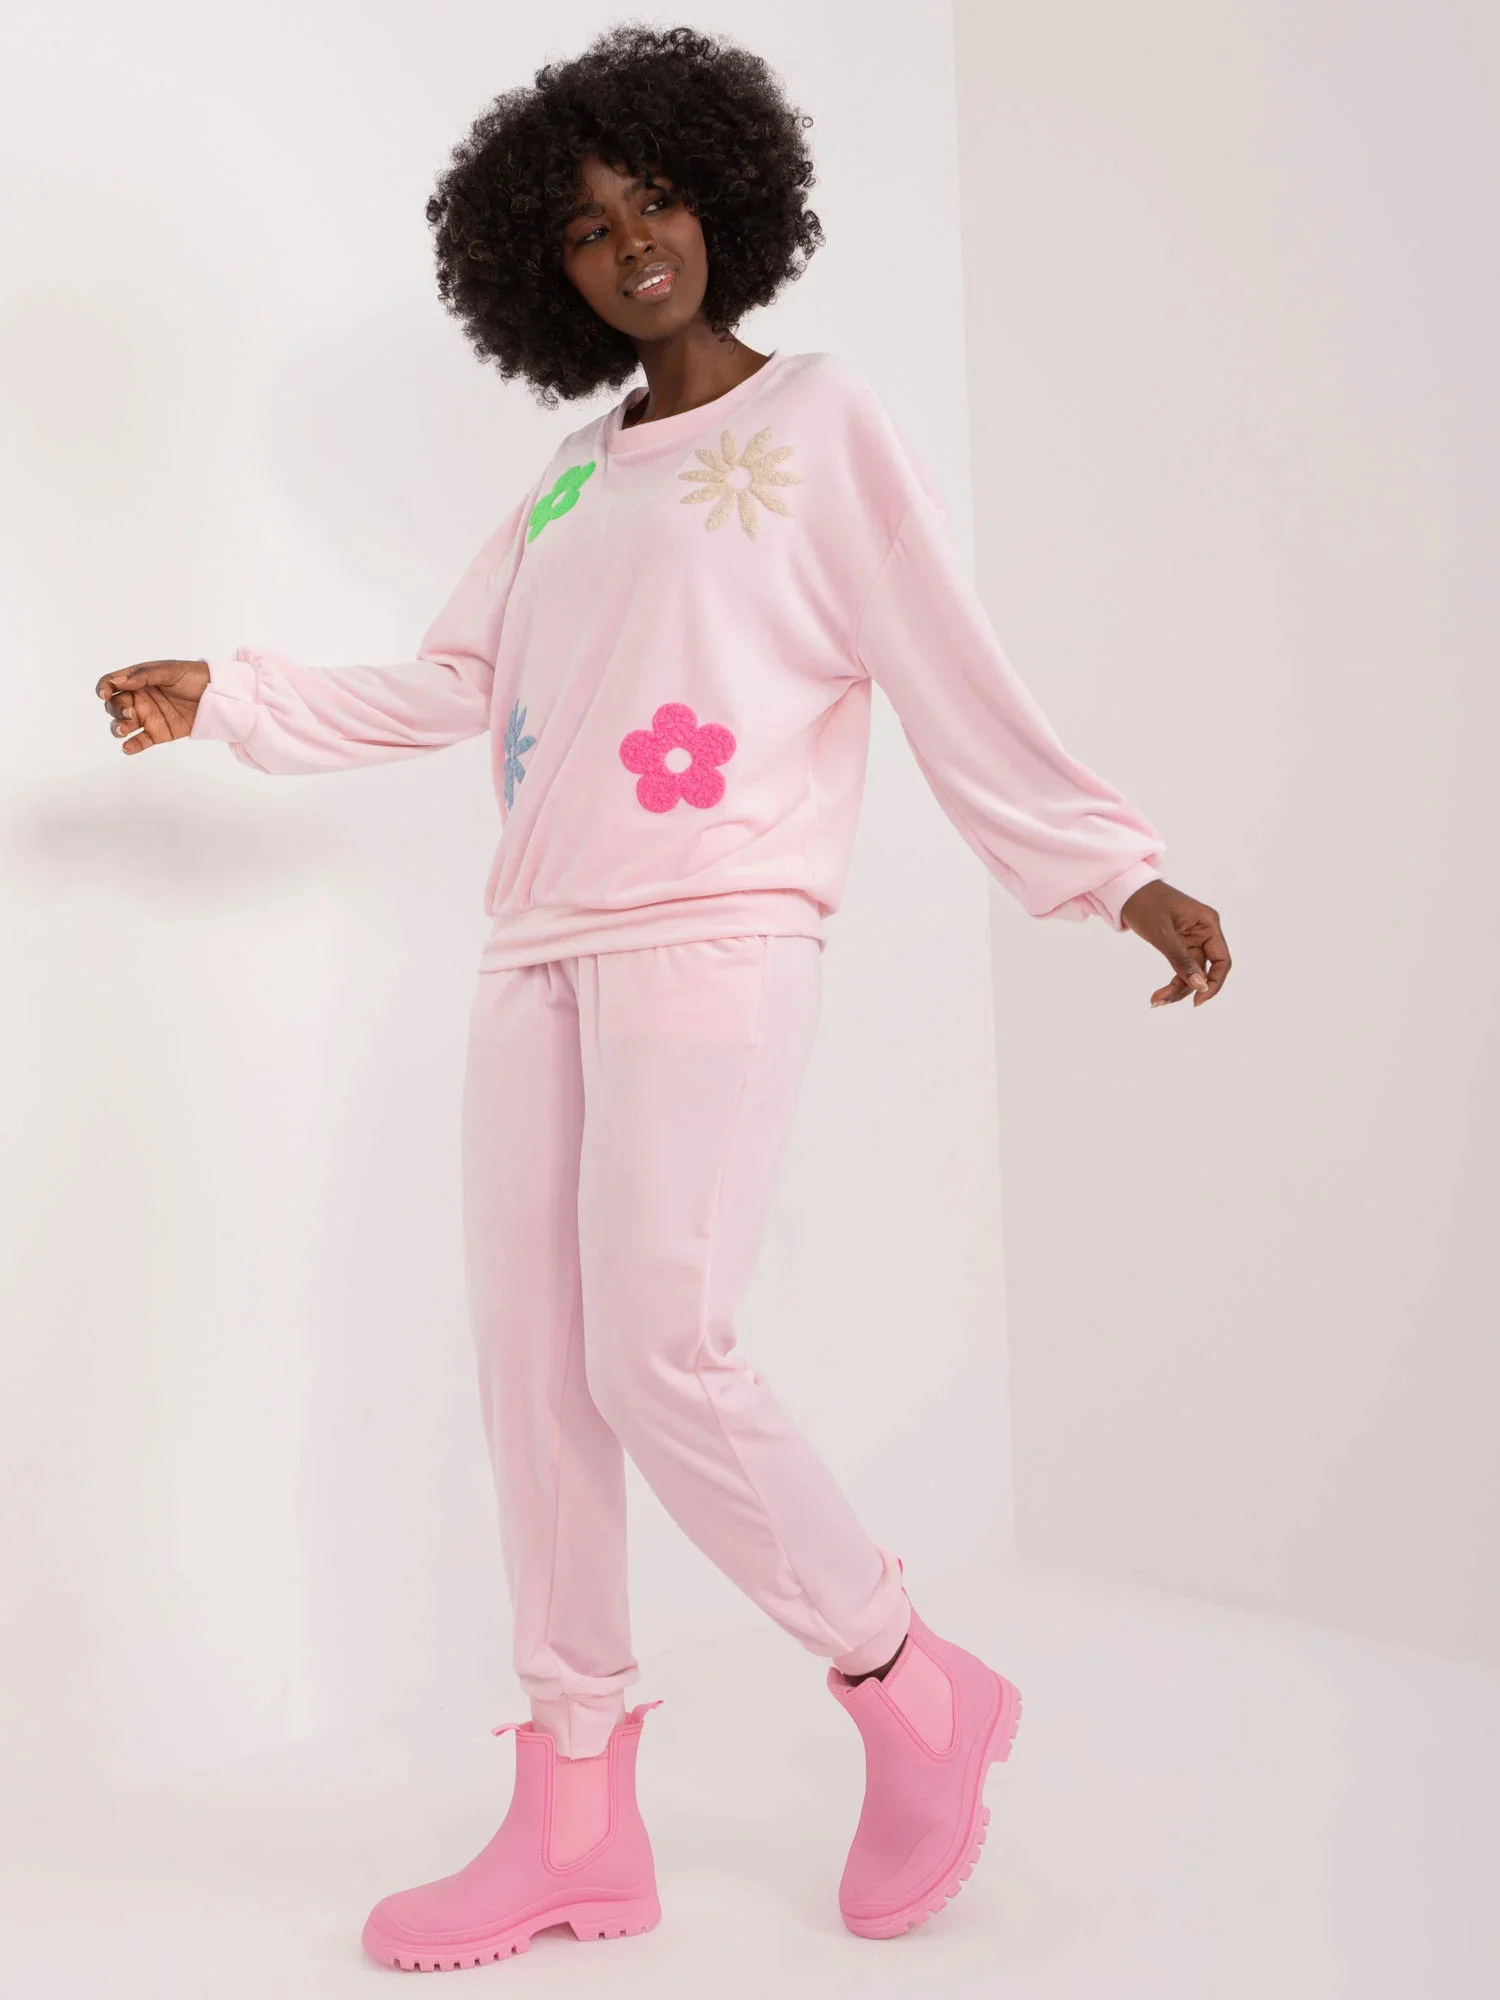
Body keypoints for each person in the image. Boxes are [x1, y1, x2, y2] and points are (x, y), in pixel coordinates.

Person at [95, 22, 1231, 1971]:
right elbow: (461, 685)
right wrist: (237, 694)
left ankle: (911, 1683)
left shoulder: (823, 421)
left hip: (716, 928)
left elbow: (940, 655)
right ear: (539, 270)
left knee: (658, 1353)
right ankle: (575, 1819)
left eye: (659, 200)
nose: (632, 243)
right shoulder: (567, 479)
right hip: (532, 946)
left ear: (727, 203)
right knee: (539, 1380)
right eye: (586, 226)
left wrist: (1109, 868)